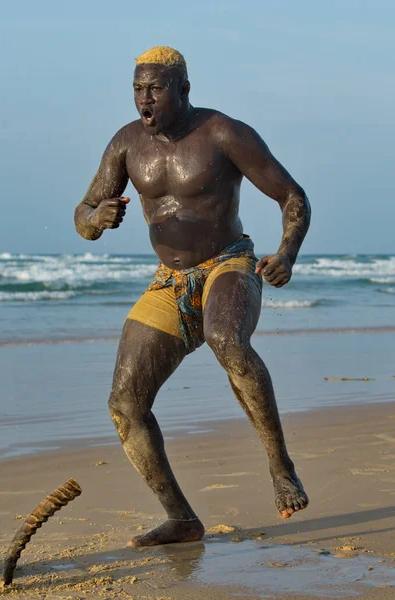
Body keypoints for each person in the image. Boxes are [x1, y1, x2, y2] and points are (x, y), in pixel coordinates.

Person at [74, 46, 311, 547]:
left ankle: (280, 465)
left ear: (183, 89)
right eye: (138, 89)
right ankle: (181, 518)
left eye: (155, 88)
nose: (145, 98)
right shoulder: (126, 144)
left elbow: (292, 197)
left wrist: (286, 253)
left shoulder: (224, 133)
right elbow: (84, 212)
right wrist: (94, 221)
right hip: (170, 281)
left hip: (228, 263)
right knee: (124, 404)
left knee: (226, 339)